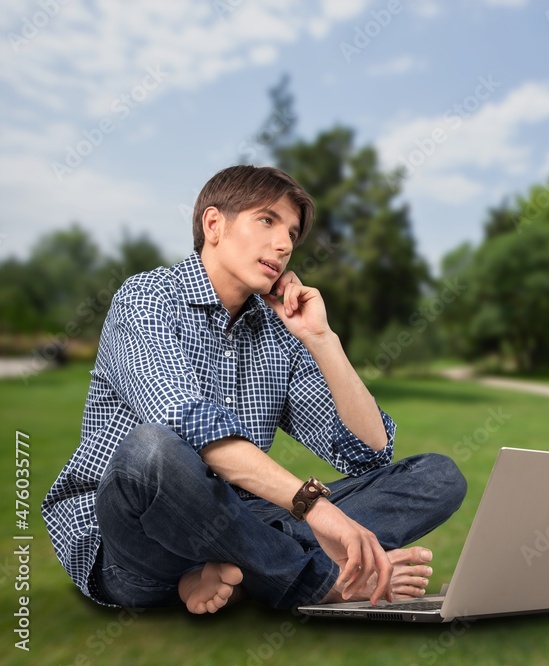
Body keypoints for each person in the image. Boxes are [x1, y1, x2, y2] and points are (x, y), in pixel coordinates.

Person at [42, 165, 467, 614]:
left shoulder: (279, 333)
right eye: (267, 220)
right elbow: (185, 422)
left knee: (437, 477)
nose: (283, 245)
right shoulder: (146, 298)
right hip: (134, 537)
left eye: (292, 233)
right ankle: (312, 578)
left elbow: (368, 453)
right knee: (152, 449)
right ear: (214, 225)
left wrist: (322, 340)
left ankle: (239, 570)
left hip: (234, 521)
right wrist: (317, 509)